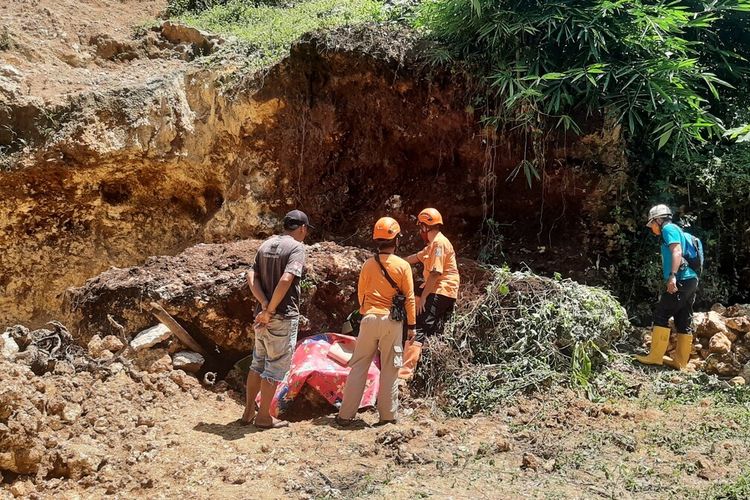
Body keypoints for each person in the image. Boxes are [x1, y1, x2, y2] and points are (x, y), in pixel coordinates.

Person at [336, 217, 417, 426]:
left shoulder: (368, 265)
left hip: (369, 318)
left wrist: (367, 313)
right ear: (396, 240)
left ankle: (345, 415)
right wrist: (412, 326)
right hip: (392, 322)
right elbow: (409, 297)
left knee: (359, 366)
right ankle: (387, 416)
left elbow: (361, 295)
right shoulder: (403, 266)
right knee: (390, 369)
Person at [242, 209, 312, 428]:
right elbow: (287, 278)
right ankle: (263, 417)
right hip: (281, 316)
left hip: (261, 317)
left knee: (257, 364)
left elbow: (251, 275)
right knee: (273, 367)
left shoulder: (266, 245)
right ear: (302, 228)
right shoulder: (297, 248)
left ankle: (247, 413)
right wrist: (271, 309)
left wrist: (263, 304)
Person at [635, 204, 699, 369]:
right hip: (691, 280)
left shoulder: (668, 229)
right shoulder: (676, 229)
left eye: (652, 224)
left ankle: (655, 357)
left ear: (658, 220)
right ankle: (680, 362)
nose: (652, 228)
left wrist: (673, 276)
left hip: (682, 279)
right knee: (683, 319)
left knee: (661, 314)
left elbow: (676, 251)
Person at [405, 208, 460, 340]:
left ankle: (411, 359)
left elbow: (435, 273)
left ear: (424, 227)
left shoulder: (438, 244)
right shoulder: (432, 245)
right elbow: (415, 258)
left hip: (442, 290)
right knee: (411, 292)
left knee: (420, 326)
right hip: (437, 287)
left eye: (420, 227)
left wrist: (423, 297)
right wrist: (393, 262)